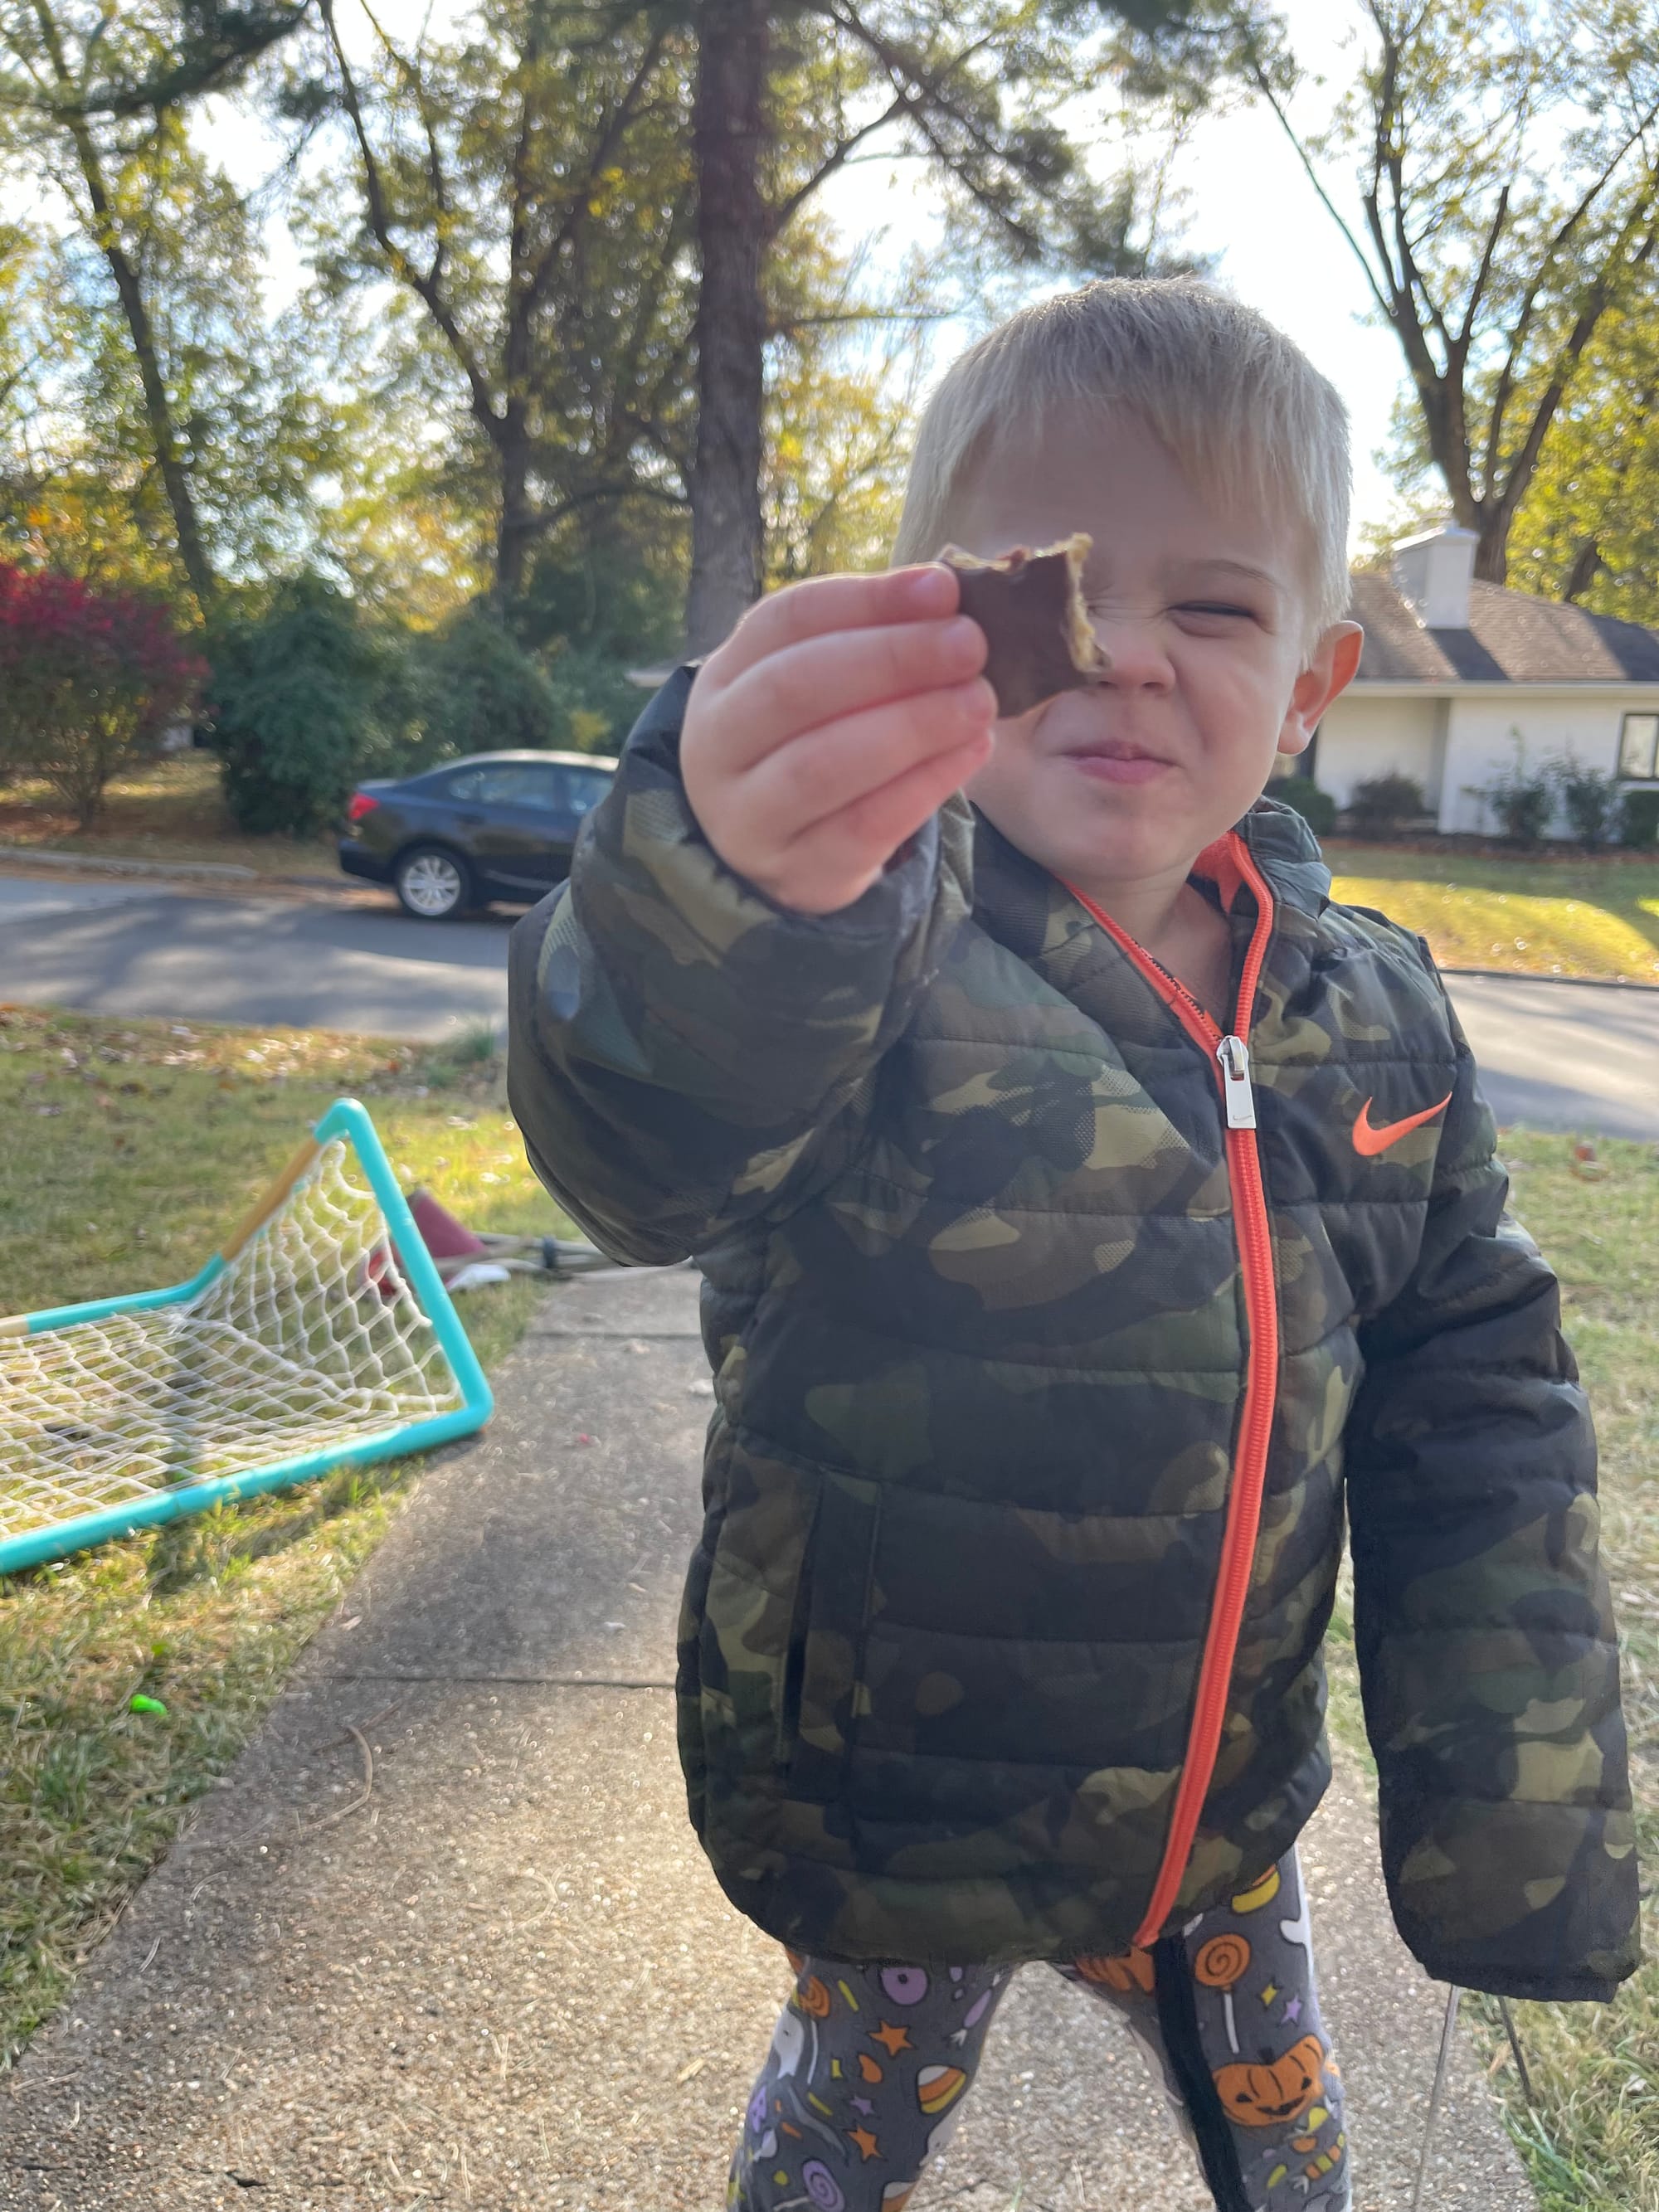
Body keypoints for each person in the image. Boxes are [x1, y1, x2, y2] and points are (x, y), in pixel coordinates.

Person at [507, 279, 1637, 2212]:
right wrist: (720, 895)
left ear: (1309, 685)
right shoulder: (852, 948)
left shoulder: (1374, 1018)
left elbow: (1482, 1417)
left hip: (1215, 1813)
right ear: (926, 624)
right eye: (1055, 587)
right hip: (898, 1806)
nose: (1121, 654)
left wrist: (1522, 1831)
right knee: (836, 2142)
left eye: (1215, 608)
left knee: (1292, 2148)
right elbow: (645, 1148)